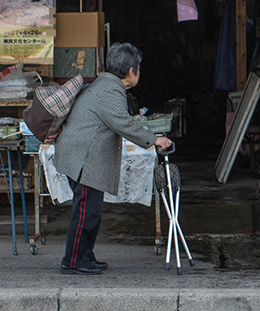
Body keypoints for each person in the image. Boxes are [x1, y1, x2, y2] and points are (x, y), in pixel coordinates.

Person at [53, 43, 173, 274]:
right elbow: (123, 123)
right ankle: (73, 261)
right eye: (138, 67)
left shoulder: (106, 84)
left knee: (90, 210)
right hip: (83, 159)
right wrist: (154, 140)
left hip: (83, 156)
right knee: (87, 211)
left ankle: (85, 255)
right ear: (132, 71)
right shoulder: (110, 89)